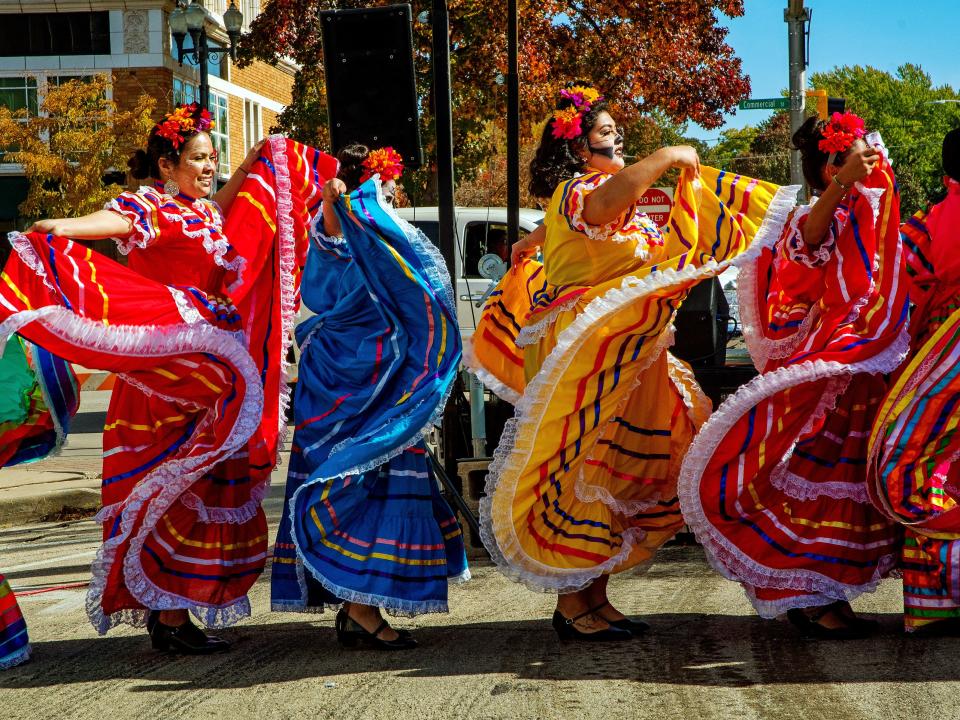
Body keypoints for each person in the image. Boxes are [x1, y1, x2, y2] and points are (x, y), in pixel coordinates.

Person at [0, 103, 336, 653]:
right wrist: (66, 227)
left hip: (206, 373)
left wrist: (256, 158)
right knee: (168, 488)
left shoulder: (203, 210)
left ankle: (175, 611)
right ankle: (169, 619)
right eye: (198, 159)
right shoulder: (152, 207)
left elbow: (225, 205)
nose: (209, 168)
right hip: (164, 379)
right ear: (166, 165)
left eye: (212, 158)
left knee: (201, 485)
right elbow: (118, 221)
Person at [466, 81, 794, 641]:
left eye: (619, 134)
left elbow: (599, 223)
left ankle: (595, 594)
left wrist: (535, 241)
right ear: (578, 148)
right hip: (590, 345)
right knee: (587, 459)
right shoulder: (581, 191)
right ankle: (575, 602)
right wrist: (666, 156)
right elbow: (597, 208)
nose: (620, 142)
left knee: (647, 450)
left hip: (627, 343)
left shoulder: (599, 200)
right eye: (607, 134)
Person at [679, 113, 910, 638]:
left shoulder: (867, 210)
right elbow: (805, 249)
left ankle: (825, 591)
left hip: (860, 364)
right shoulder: (812, 214)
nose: (861, 161)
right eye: (844, 157)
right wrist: (845, 184)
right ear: (827, 166)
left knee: (847, 477)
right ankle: (804, 594)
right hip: (825, 368)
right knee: (811, 475)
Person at [270, 144, 468, 650]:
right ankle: (359, 609)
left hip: (378, 376)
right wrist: (341, 199)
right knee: (358, 481)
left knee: (377, 482)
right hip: (353, 379)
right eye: (384, 186)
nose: (391, 195)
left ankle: (360, 605)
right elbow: (341, 232)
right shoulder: (341, 222)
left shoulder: (373, 231)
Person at [867, 127, 960, 634]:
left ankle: (937, 604)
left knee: (927, 471)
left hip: (938, 374)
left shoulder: (924, 229)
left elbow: (901, 300)